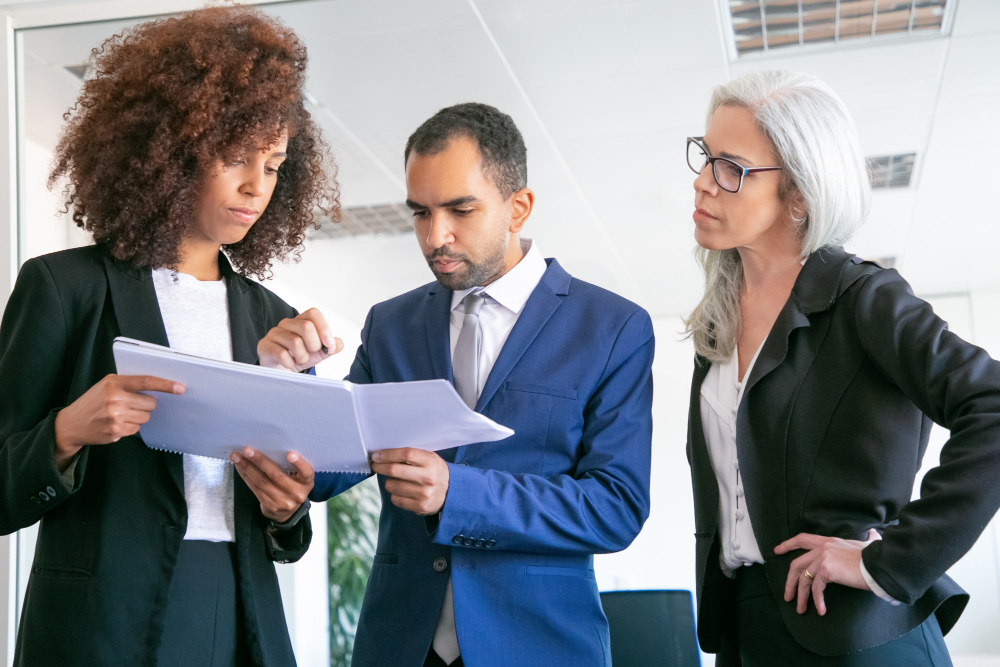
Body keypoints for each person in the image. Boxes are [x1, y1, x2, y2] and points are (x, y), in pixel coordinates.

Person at [0, 7, 342, 666]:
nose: (256, 187)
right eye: (236, 158)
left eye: (273, 165)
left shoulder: (274, 317)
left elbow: (286, 525)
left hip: (241, 613)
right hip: (103, 620)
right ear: (173, 147)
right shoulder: (65, 288)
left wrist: (287, 508)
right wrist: (67, 430)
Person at [258, 102, 654, 666]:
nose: (434, 235)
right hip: (400, 647)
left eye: (460, 210)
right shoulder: (390, 325)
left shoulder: (612, 327)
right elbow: (324, 472)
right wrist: (289, 381)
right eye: (420, 212)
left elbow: (615, 507)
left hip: (538, 646)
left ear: (519, 208)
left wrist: (458, 493)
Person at [684, 69, 1000, 666]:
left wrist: (888, 561)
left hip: (853, 628)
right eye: (705, 157)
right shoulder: (718, 320)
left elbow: (993, 407)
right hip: (746, 628)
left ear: (799, 194)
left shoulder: (863, 297)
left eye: (731, 168)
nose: (703, 184)